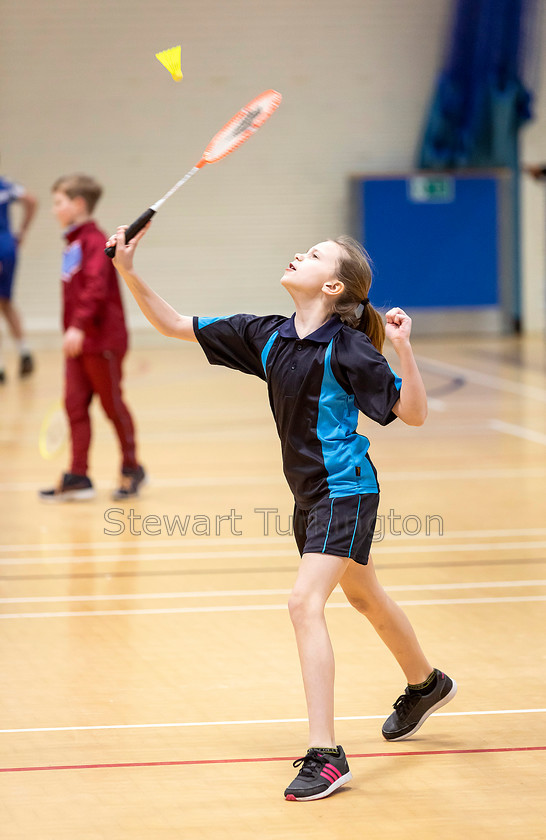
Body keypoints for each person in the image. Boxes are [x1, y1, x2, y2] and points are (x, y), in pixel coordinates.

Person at [106, 223, 457, 801]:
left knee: (303, 602)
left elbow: (412, 414)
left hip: (345, 490)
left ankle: (327, 754)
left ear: (334, 286)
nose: (300, 254)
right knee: (365, 596)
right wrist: (127, 270)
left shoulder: (349, 348)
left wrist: (405, 351)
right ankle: (427, 683)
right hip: (309, 495)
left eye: (315, 255)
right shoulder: (266, 335)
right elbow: (174, 325)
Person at [39, 175, 145, 502]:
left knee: (112, 406)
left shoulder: (94, 242)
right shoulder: (72, 244)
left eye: (59, 202)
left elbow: (96, 289)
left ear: (78, 204)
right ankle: (78, 476)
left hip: (102, 341)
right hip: (79, 343)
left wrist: (79, 325)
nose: (54, 209)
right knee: (74, 406)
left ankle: (131, 468)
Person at [0, 166, 38, 382]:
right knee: (5, 302)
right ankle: (24, 352)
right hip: (7, 246)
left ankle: (1, 367)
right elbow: (30, 199)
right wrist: (22, 231)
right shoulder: (5, 184)